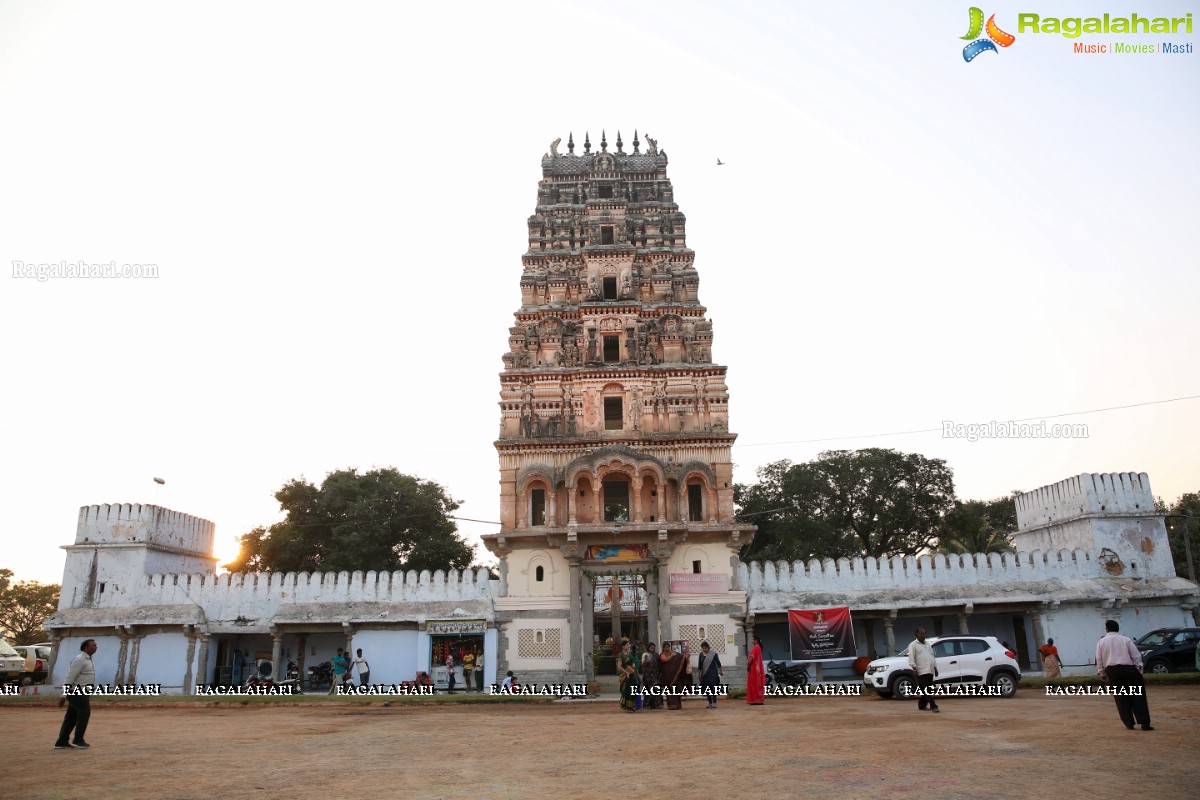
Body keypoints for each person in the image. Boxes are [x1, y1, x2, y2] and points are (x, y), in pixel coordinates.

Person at [1096, 619, 1152, 730]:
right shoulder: (1125, 639)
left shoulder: (1101, 642)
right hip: (1129, 670)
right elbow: (1136, 656)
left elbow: (1099, 659)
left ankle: (1128, 723)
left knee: (1120, 697)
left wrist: (1102, 673)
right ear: (1118, 628)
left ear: (1107, 629)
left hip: (1112, 672)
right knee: (1138, 696)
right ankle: (1144, 723)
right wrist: (1139, 669)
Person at [56, 638, 97, 749]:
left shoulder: (87, 659)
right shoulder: (80, 660)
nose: (96, 647)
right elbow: (69, 677)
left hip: (81, 692)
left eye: (95, 645)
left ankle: (61, 741)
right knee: (84, 713)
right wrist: (63, 695)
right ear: (86, 647)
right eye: (93, 645)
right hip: (76, 692)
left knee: (71, 717)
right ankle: (78, 740)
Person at [906, 628, 939, 713]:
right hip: (921, 671)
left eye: (924, 633)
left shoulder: (927, 644)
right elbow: (911, 658)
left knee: (927, 689)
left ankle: (921, 705)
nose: (924, 635)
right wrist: (914, 669)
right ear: (916, 635)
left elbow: (932, 656)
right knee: (926, 689)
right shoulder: (913, 645)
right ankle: (933, 706)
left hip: (930, 670)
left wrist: (935, 668)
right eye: (921, 634)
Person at [658, 642, 690, 710]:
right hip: (667, 675)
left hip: (675, 675)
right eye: (665, 647)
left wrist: (686, 656)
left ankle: (678, 704)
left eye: (668, 647)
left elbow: (681, 658)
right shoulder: (662, 655)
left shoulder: (674, 653)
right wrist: (672, 656)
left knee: (676, 689)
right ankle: (671, 705)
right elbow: (665, 659)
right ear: (663, 648)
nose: (667, 648)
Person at [697, 641, 723, 708]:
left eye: (705, 648)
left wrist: (720, 671)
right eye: (703, 648)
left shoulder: (713, 654)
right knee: (707, 688)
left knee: (713, 687)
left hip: (713, 673)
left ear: (708, 647)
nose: (704, 649)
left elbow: (718, 663)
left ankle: (714, 702)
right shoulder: (701, 655)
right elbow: (700, 666)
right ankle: (710, 703)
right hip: (705, 674)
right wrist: (699, 674)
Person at [617, 640, 640, 712]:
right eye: (627, 645)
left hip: (632, 673)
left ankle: (631, 705)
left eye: (629, 645)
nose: (628, 646)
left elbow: (632, 662)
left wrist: (633, 665)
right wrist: (626, 673)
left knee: (633, 689)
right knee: (627, 690)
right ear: (623, 646)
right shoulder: (621, 655)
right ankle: (627, 706)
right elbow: (619, 666)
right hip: (625, 675)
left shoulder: (629, 654)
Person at [746, 635, 766, 706]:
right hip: (755, 668)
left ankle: (756, 700)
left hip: (754, 669)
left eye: (752, 639)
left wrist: (748, 663)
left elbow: (752, 657)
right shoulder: (757, 647)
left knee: (755, 684)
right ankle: (755, 699)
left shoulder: (756, 647)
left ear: (756, 640)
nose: (751, 640)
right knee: (755, 683)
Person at [640, 642, 661, 709]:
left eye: (654, 648)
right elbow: (643, 665)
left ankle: (656, 704)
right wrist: (646, 661)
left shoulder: (656, 655)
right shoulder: (645, 655)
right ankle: (648, 704)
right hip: (647, 675)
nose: (652, 649)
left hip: (655, 674)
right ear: (648, 648)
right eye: (651, 648)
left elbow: (659, 665)